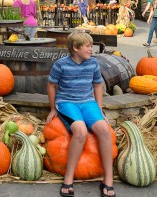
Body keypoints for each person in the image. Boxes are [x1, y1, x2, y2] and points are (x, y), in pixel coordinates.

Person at [47, 31, 115, 197]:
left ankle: (108, 179)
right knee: (80, 131)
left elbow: (98, 86)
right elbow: (51, 85)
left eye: (91, 46)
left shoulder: (93, 64)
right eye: (88, 46)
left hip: (87, 103)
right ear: (76, 48)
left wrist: (99, 110)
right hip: (67, 103)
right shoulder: (61, 65)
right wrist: (53, 108)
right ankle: (68, 179)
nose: (91, 49)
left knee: (104, 130)